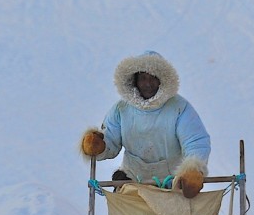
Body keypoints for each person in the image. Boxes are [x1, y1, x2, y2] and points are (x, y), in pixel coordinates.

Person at [81, 51, 211, 198]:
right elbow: (110, 139)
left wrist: (192, 170)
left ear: (162, 80)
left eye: (153, 78)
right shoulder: (121, 109)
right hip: (132, 181)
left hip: (172, 182)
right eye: (143, 78)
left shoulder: (179, 108)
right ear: (135, 80)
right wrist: (98, 145)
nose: (148, 84)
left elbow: (195, 142)